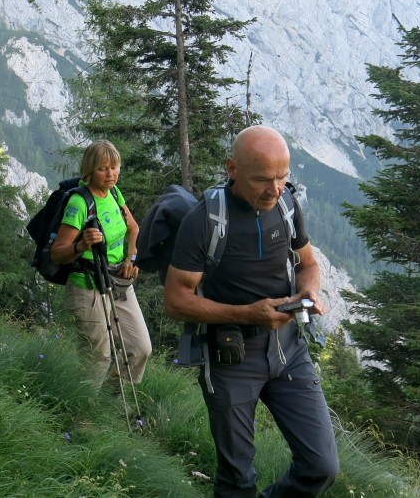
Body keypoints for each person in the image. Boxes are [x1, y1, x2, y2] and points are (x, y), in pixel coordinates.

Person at [164, 125, 340, 498]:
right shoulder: (206, 220)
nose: (274, 189)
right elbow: (176, 300)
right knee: (237, 480)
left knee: (321, 467)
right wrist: (249, 313)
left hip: (290, 350)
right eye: (262, 179)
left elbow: (307, 262)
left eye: (282, 177)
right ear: (232, 168)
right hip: (231, 357)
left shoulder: (287, 206)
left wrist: (308, 291)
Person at [51, 139, 152, 386]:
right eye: (103, 168)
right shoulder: (79, 203)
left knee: (140, 349)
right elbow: (57, 253)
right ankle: (84, 417)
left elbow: (134, 229)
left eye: (114, 167)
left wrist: (132, 258)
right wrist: (80, 245)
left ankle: (109, 402)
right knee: (98, 358)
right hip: (87, 286)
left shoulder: (115, 194)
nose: (111, 174)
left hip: (118, 281)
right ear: (90, 170)